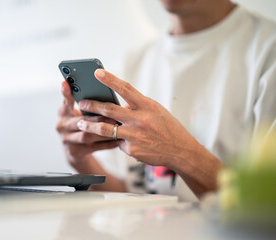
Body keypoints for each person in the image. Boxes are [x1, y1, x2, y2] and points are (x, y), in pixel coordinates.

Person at [56, 0, 276, 201]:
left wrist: (181, 154)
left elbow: (265, 209)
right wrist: (80, 161)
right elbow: (129, 193)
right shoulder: (134, 61)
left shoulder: (268, 53)